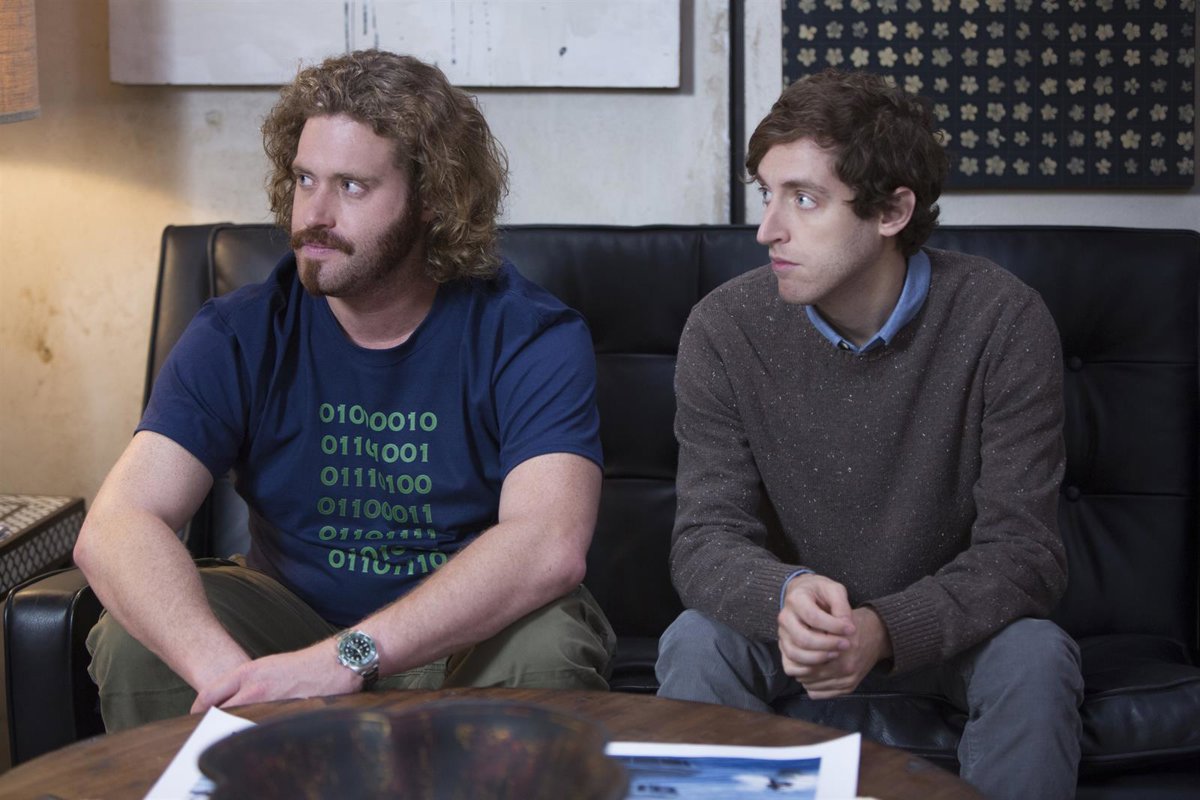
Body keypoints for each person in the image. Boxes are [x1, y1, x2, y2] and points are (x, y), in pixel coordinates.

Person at [75, 50, 615, 732]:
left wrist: (347, 658)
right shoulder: (240, 332)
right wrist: (228, 681)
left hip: (463, 638)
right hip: (287, 620)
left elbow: (548, 541)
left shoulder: (528, 335)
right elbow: (116, 526)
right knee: (136, 639)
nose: (315, 214)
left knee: (549, 644)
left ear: (433, 199)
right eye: (305, 179)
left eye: (352, 187)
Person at [655, 69, 1083, 799]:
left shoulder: (1003, 320)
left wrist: (883, 628)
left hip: (954, 635)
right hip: (792, 632)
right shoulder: (723, 328)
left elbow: (1025, 553)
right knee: (695, 641)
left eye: (804, 199)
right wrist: (785, 594)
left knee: (1037, 655)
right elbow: (703, 538)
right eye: (766, 194)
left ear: (891, 211)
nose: (767, 230)